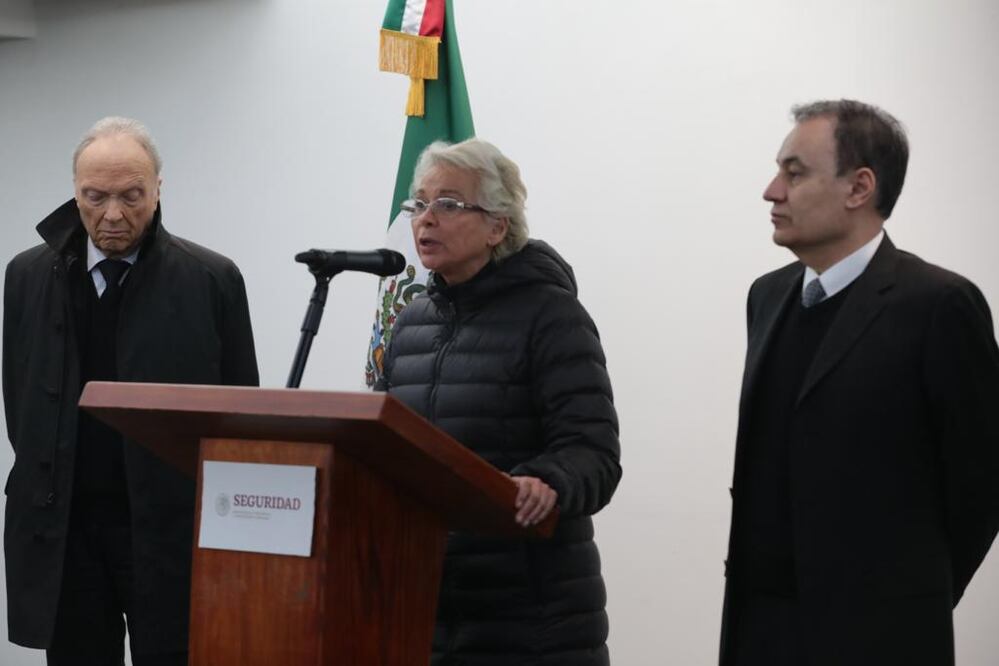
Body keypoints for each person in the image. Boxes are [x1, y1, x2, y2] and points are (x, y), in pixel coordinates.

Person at [720, 99, 999, 666]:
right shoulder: (767, 297)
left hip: (880, 635)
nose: (772, 191)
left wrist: (910, 598)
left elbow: (982, 484)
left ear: (859, 187)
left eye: (794, 172)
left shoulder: (939, 305)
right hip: (760, 632)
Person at [2, 117, 259, 665]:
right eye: (94, 197)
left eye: (131, 196)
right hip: (64, 530)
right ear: (74, 192)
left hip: (169, 532)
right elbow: (18, 400)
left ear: (159, 189)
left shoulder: (210, 280)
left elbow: (241, 416)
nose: (112, 215)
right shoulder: (26, 276)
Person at [377, 138, 621, 665]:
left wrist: (548, 481)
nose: (426, 220)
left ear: (497, 226)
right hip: (429, 609)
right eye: (418, 204)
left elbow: (594, 452)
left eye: (448, 203)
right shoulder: (411, 324)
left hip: (533, 618)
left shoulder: (552, 317)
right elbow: (381, 444)